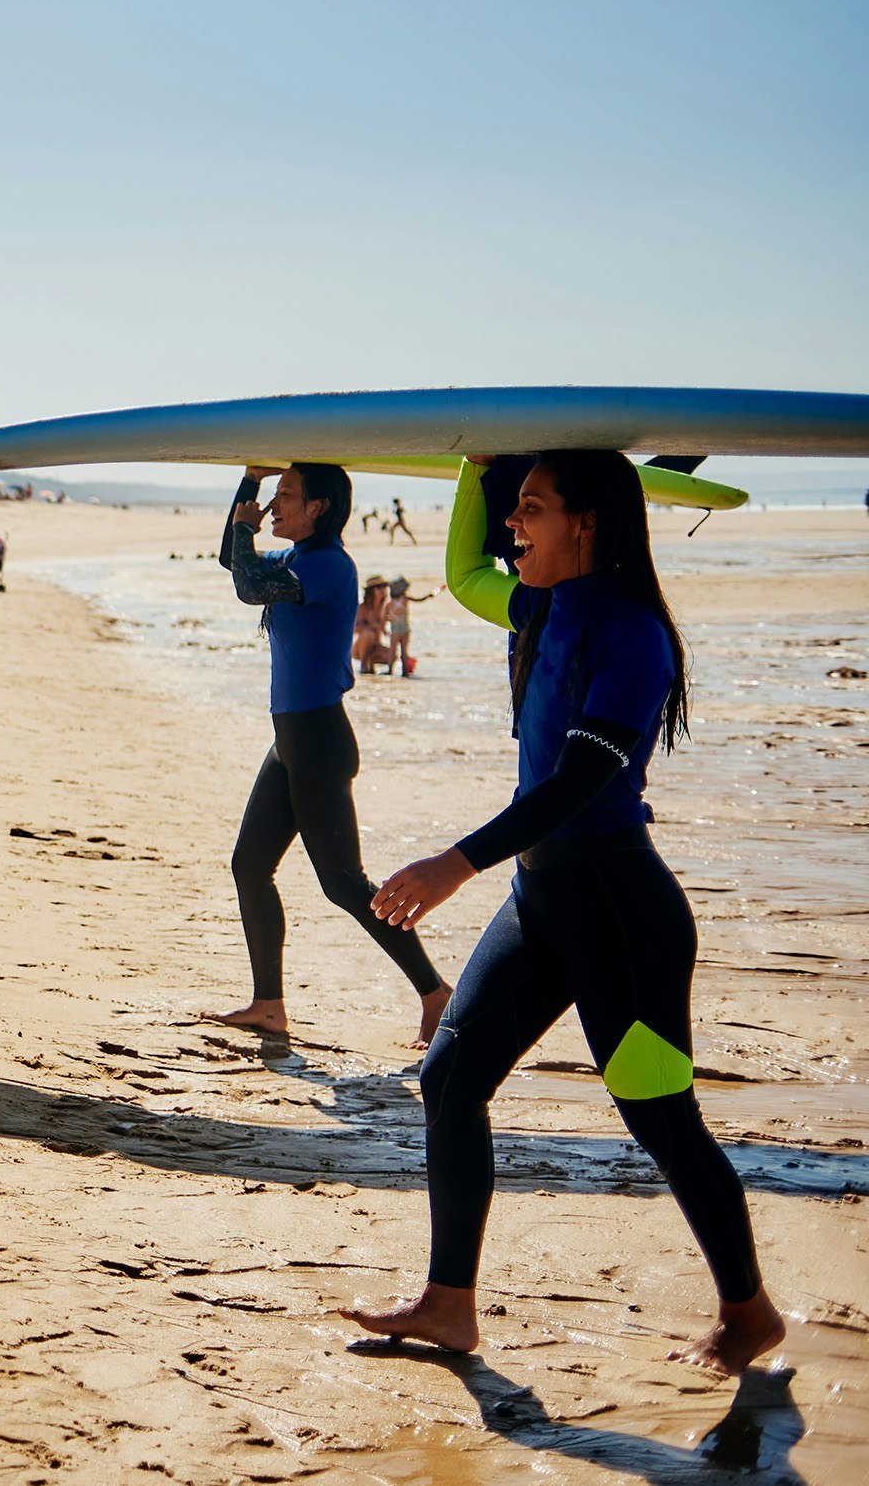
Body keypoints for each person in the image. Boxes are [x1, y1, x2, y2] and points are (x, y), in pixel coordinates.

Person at [345, 452, 782, 1376]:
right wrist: (477, 459)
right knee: (451, 1081)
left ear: (584, 523)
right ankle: (449, 1305)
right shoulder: (539, 608)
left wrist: (451, 864)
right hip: (541, 899)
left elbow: (585, 780)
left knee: (661, 1117)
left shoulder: (632, 636)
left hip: (622, 914)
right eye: (515, 509)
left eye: (532, 510)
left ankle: (748, 1310)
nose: (513, 526)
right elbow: (468, 565)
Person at [206, 465, 452, 1045]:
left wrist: (248, 528)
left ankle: (436, 992)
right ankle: (268, 1005)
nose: (275, 505)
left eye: (285, 495)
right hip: (290, 743)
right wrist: (248, 486)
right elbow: (231, 562)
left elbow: (249, 587)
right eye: (273, 495)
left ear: (318, 506)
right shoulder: (295, 560)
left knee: (343, 882)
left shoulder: (327, 566)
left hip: (318, 742)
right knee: (250, 866)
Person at [386, 574, 436, 677]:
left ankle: (390, 670)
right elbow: (420, 599)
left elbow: (384, 617)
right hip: (405, 628)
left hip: (395, 629)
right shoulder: (405, 599)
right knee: (404, 652)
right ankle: (405, 672)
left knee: (392, 650)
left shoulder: (390, 603)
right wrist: (431, 594)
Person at [352, 575, 393, 674]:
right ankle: (364, 665)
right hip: (359, 647)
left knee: (391, 657)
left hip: (376, 645)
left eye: (384, 586)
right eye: (379, 587)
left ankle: (371, 664)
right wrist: (373, 626)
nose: (382, 589)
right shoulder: (363, 608)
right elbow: (354, 628)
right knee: (368, 634)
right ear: (371, 590)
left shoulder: (386, 607)